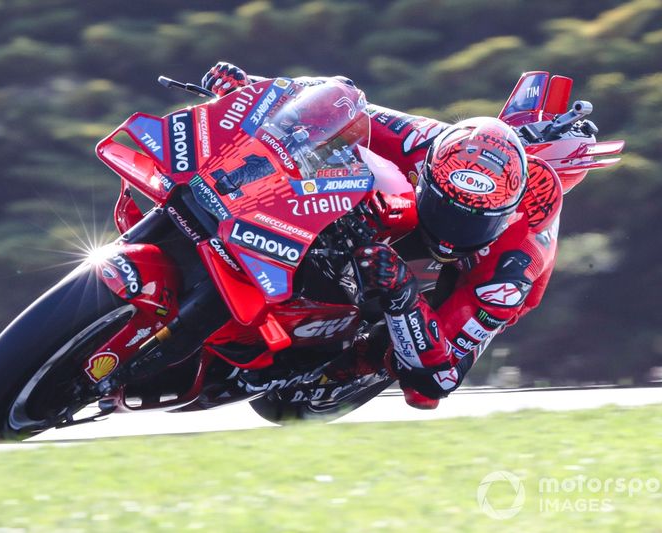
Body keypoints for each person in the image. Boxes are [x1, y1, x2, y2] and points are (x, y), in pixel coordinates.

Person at [201, 62, 564, 409]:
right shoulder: (424, 142)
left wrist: (403, 296)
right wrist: (250, 86)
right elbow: (335, 105)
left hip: (478, 273)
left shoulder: (511, 270)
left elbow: (438, 377)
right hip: (410, 209)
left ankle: (355, 363)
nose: (452, 234)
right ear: (429, 173)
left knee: (425, 391)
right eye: (447, 211)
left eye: (472, 222)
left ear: (503, 216)